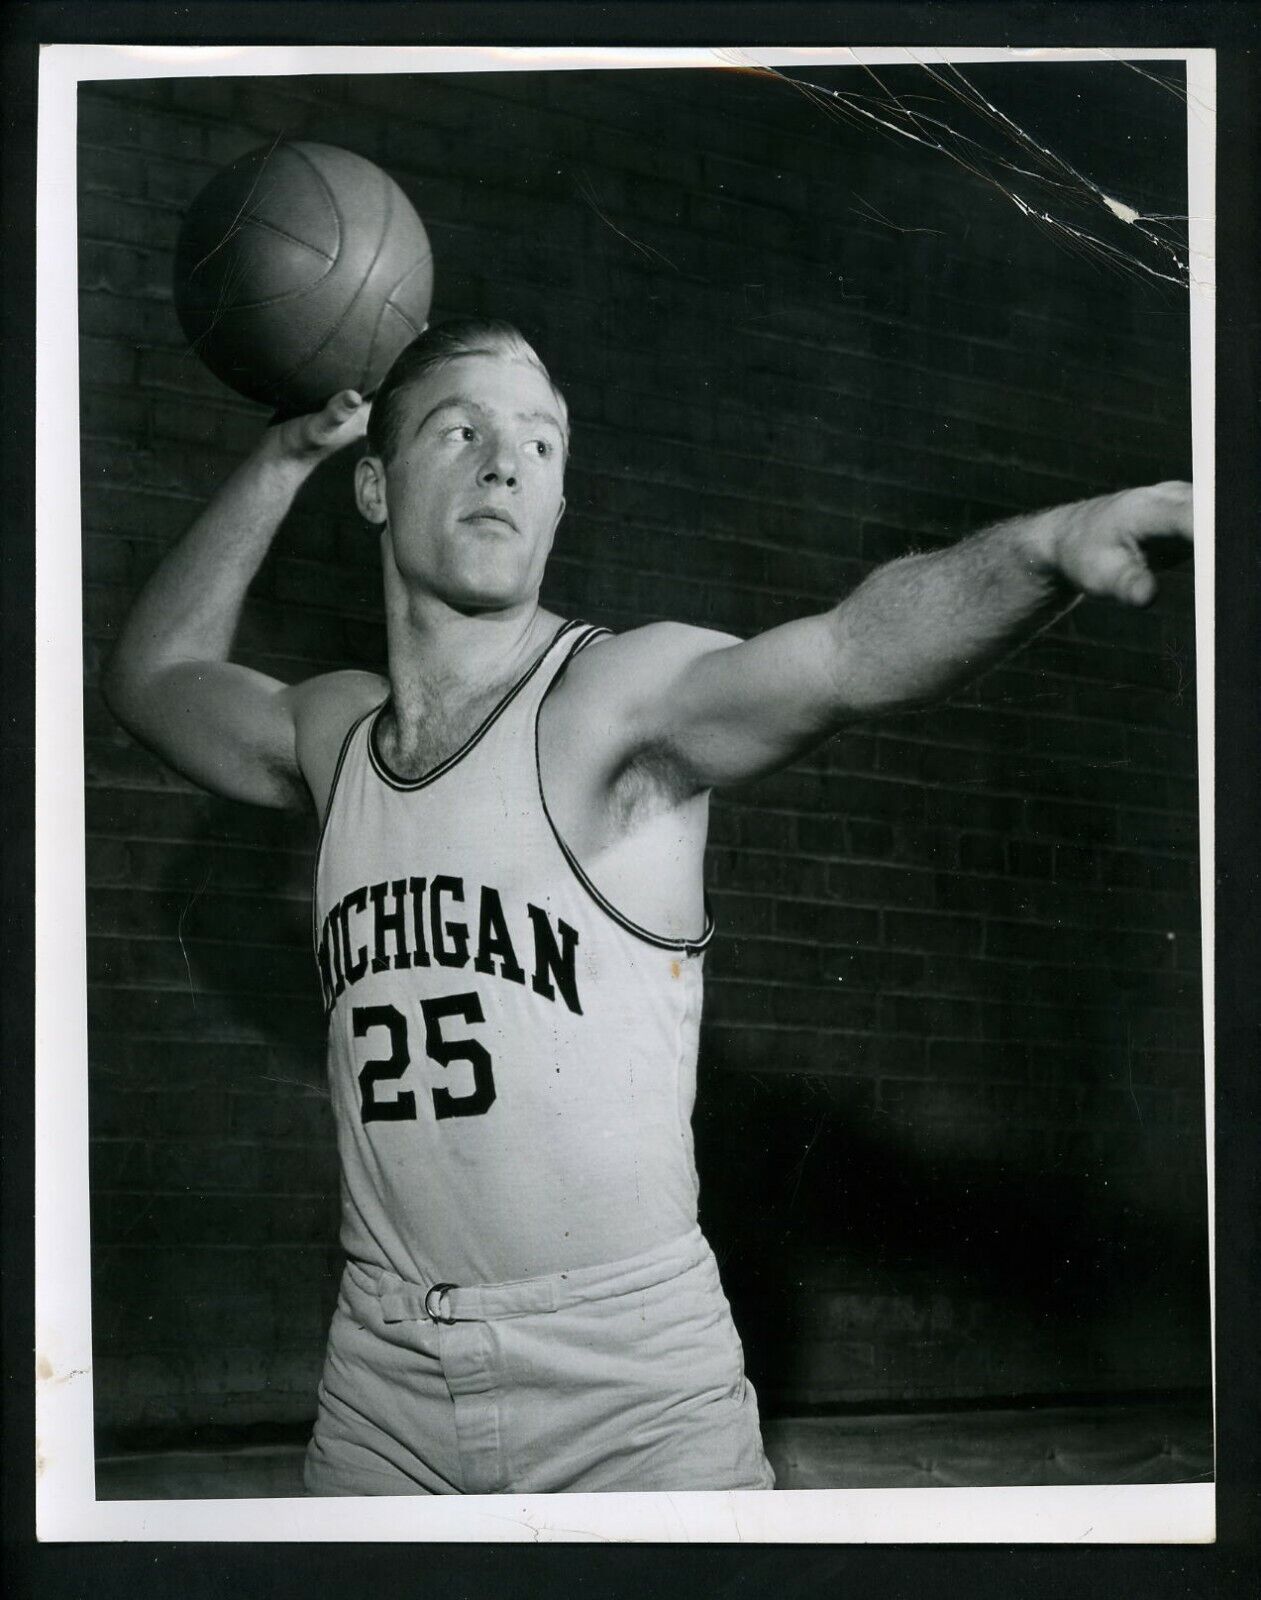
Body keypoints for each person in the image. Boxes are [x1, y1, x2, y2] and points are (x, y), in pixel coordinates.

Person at [103, 317, 1193, 1496]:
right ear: (373, 483)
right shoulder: (335, 736)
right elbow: (153, 678)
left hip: (625, 1385)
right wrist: (278, 460)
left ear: (560, 495)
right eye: (457, 430)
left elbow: (845, 654)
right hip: (383, 1379)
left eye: (539, 441)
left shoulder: (612, 699)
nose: (503, 463)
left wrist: (1039, 547)